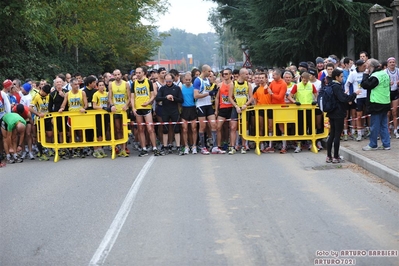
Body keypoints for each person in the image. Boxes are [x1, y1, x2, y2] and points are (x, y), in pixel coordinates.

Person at [326, 69, 361, 163]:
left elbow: (338, 97)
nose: (342, 78)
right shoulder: (337, 86)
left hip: (331, 112)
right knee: (337, 134)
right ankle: (335, 156)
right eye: (341, 76)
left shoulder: (330, 85)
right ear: (336, 77)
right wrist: (354, 94)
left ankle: (329, 156)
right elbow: (343, 99)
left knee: (332, 134)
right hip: (338, 113)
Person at [361, 58, 391, 151]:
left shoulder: (375, 76)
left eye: (368, 66)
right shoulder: (384, 73)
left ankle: (373, 144)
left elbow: (365, 85)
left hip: (376, 103)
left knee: (374, 125)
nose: (367, 68)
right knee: (384, 125)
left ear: (372, 67)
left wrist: (365, 74)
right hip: (385, 101)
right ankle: (386, 144)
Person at [131, 66, 159, 157]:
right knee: (140, 129)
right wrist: (133, 108)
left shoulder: (148, 82)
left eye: (139, 73)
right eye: (136, 73)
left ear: (143, 73)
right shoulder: (134, 84)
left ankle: (154, 147)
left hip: (147, 108)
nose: (137, 74)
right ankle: (143, 148)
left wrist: (148, 102)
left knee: (150, 128)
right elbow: (132, 97)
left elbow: (153, 95)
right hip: (138, 108)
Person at [287, 72, 318, 153]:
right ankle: (299, 145)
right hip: (300, 109)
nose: (305, 81)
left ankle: (312, 143)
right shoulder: (297, 86)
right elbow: (290, 96)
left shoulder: (311, 85)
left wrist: (315, 101)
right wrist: (294, 102)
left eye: (307, 80)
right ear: (301, 78)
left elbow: (316, 94)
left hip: (309, 109)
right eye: (304, 80)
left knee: (311, 126)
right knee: (300, 127)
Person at [59, 78, 88, 158]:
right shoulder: (68, 94)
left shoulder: (82, 92)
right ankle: (72, 149)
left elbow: (86, 104)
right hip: (71, 116)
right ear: (71, 85)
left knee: (81, 133)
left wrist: (84, 108)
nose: (77, 86)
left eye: (78, 84)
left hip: (80, 115)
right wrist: (62, 108)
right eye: (75, 84)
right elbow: (64, 104)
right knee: (71, 134)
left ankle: (82, 149)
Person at [156, 73, 184, 155]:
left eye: (170, 81)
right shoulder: (162, 89)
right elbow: (157, 98)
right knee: (165, 130)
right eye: (166, 81)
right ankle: (165, 147)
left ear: (173, 80)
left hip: (174, 110)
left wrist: (173, 98)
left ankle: (178, 147)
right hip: (165, 111)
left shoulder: (177, 88)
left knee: (176, 129)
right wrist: (165, 97)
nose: (168, 82)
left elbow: (181, 100)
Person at [193, 64, 218, 155]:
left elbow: (210, 92)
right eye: (209, 71)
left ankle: (215, 147)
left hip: (208, 105)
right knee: (202, 127)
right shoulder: (197, 80)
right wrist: (208, 94)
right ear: (204, 71)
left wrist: (214, 92)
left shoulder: (207, 80)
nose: (210, 72)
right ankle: (203, 146)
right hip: (201, 105)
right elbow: (196, 95)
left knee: (214, 125)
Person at [228, 68, 253, 154]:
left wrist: (246, 105)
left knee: (244, 128)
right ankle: (232, 146)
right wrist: (236, 106)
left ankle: (243, 146)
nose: (248, 76)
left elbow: (251, 97)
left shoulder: (248, 84)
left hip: (244, 109)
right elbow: (230, 97)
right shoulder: (233, 84)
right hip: (236, 108)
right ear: (241, 74)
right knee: (233, 127)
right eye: (246, 74)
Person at [262, 68, 287, 153]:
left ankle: (284, 146)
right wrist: (266, 87)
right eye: (272, 75)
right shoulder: (272, 82)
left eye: (274, 75)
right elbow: (266, 92)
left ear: (279, 75)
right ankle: (270, 145)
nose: (272, 76)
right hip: (272, 106)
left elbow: (280, 97)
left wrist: (271, 93)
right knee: (270, 126)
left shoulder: (283, 84)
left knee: (281, 126)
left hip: (280, 107)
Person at [108, 69, 130, 157]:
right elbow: (110, 97)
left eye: (118, 74)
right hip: (116, 109)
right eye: (115, 75)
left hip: (124, 110)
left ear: (121, 75)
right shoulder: (111, 84)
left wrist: (126, 105)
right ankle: (121, 147)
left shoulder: (126, 84)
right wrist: (112, 105)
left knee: (124, 128)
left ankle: (124, 148)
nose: (117, 76)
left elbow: (129, 97)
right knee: (117, 129)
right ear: (113, 76)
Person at [345, 59, 367, 141]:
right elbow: (347, 84)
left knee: (367, 115)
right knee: (359, 115)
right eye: (363, 66)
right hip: (358, 97)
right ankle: (359, 133)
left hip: (367, 96)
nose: (365, 67)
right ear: (359, 66)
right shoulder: (353, 73)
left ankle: (366, 130)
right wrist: (349, 96)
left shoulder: (366, 72)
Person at [30, 84, 52, 161]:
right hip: (39, 119)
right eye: (45, 93)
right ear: (42, 91)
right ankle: (41, 153)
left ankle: (48, 149)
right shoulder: (36, 96)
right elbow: (30, 108)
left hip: (48, 118)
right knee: (40, 136)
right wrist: (38, 114)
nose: (46, 95)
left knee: (49, 134)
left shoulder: (49, 96)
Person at [214, 68, 233, 154]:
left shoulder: (233, 84)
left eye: (226, 74)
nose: (224, 75)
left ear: (230, 75)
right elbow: (217, 98)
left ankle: (228, 143)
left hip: (231, 108)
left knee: (229, 127)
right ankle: (219, 145)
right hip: (222, 108)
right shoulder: (220, 85)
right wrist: (216, 110)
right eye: (223, 74)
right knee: (218, 127)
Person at [252, 72, 272, 151]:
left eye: (262, 78)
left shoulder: (270, 87)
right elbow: (255, 100)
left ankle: (270, 144)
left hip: (270, 109)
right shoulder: (256, 88)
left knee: (270, 127)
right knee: (261, 127)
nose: (261, 79)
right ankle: (262, 144)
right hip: (260, 109)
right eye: (259, 78)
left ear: (266, 78)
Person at [180, 72, 198, 154]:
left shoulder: (194, 87)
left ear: (191, 79)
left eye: (189, 80)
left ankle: (194, 146)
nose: (188, 81)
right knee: (185, 129)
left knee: (194, 128)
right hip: (184, 109)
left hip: (193, 108)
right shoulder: (181, 87)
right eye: (186, 80)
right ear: (183, 80)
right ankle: (186, 146)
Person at [92, 79, 110, 158]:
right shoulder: (96, 94)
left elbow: (109, 103)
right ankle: (96, 149)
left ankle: (100, 148)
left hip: (106, 115)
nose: (101, 86)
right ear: (97, 86)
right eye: (100, 85)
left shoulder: (107, 94)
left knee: (104, 131)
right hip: (98, 115)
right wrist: (102, 107)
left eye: (103, 85)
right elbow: (94, 106)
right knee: (98, 132)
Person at [385, 57, 399, 138]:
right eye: (390, 62)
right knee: (388, 113)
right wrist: (388, 83)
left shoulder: (398, 71)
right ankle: (388, 130)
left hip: (395, 92)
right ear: (388, 64)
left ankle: (396, 130)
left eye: (393, 62)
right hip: (387, 93)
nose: (392, 63)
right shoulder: (385, 72)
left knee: (395, 112)